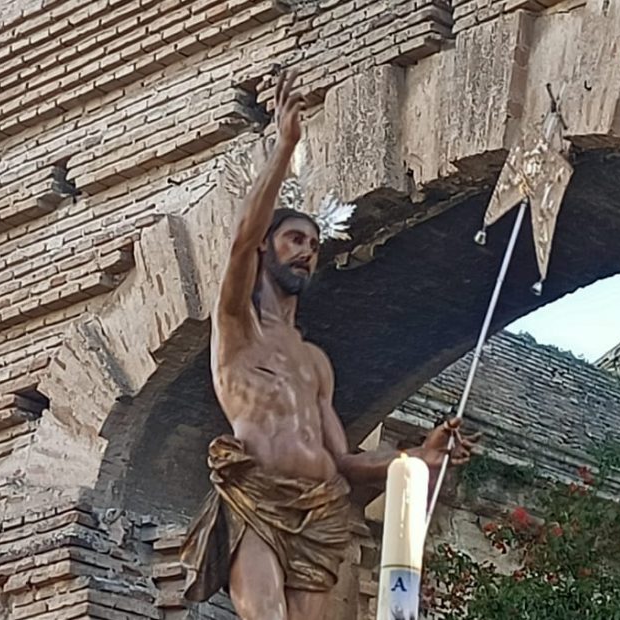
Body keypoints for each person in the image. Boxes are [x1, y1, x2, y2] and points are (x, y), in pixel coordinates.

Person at [180, 69, 478, 620]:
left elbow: (344, 460)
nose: (307, 252)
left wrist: (420, 457)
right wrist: (284, 147)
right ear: (266, 248)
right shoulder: (237, 327)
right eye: (294, 239)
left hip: (319, 513)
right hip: (259, 500)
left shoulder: (314, 361)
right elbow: (240, 242)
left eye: (314, 244)